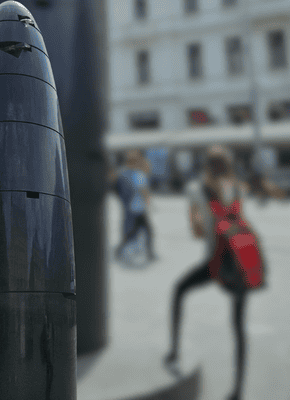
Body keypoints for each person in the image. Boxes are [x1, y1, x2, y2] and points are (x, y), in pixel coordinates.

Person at [165, 145, 268, 400]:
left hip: (215, 263)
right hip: (238, 266)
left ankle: (174, 351)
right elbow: (238, 219)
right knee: (238, 327)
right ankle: (238, 390)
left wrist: (198, 219)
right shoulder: (236, 187)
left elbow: (197, 232)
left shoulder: (196, 189)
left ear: (206, 164)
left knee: (179, 290)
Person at [113, 149, 157, 263]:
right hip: (139, 208)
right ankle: (149, 253)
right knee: (146, 231)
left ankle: (120, 250)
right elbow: (143, 190)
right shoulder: (139, 174)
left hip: (132, 207)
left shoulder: (125, 173)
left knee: (134, 231)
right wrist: (149, 202)